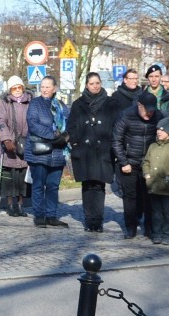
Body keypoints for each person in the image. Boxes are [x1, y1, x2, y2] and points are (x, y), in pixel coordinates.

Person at [67, 72, 123, 232]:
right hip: (84, 151)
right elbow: (71, 125)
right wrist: (75, 142)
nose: (95, 86)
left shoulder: (111, 103)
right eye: (92, 83)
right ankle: (88, 219)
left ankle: (97, 220)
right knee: (87, 185)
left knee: (98, 185)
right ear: (86, 85)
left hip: (103, 151)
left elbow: (117, 125)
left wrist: (113, 144)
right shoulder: (78, 104)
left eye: (97, 83)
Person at [112, 91, 164, 239]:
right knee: (130, 197)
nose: (149, 113)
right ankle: (131, 227)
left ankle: (149, 228)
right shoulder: (126, 115)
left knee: (149, 196)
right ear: (139, 106)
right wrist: (123, 161)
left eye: (152, 110)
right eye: (146, 110)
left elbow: (163, 137)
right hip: (129, 162)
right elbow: (116, 140)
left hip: (149, 163)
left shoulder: (158, 116)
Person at [25, 75, 70, 228]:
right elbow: (33, 124)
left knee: (53, 186)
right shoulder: (35, 104)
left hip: (57, 152)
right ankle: (39, 215)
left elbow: (68, 124)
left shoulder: (61, 106)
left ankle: (51, 215)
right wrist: (53, 135)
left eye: (47, 86)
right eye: (42, 86)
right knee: (38, 185)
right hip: (39, 152)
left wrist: (65, 136)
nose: (44, 89)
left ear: (54, 89)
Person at [142, 117, 169, 244]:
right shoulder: (152, 146)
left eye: (162, 130)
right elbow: (146, 162)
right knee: (156, 212)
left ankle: (168, 234)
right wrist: (146, 173)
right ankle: (157, 233)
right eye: (157, 130)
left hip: (166, 185)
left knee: (167, 212)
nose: (159, 132)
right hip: (153, 185)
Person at [0, 74, 31, 217]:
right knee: (9, 177)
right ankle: (10, 204)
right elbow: (0, 121)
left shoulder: (30, 102)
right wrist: (6, 139)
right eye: (14, 88)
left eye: (19, 87)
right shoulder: (5, 103)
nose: (17, 90)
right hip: (9, 144)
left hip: (25, 143)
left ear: (23, 88)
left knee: (22, 177)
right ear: (10, 90)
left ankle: (21, 205)